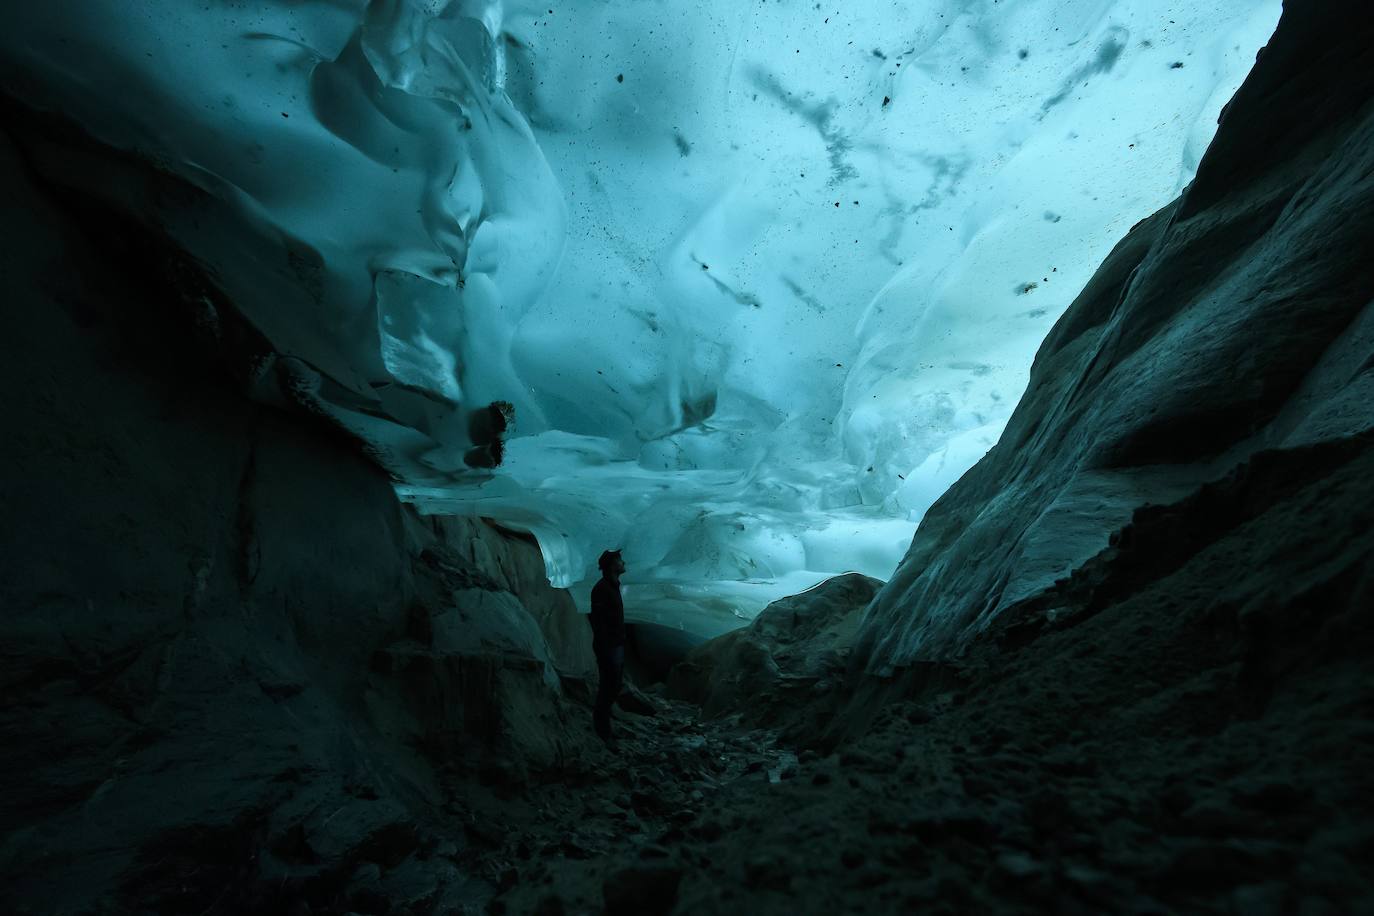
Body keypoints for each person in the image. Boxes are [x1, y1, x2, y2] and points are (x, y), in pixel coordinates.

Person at [588, 549, 627, 746]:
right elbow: (599, 621)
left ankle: (606, 728)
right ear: (612, 565)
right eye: (620, 560)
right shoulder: (602, 589)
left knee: (613, 686)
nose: (623, 562)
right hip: (609, 646)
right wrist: (605, 647)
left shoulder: (612, 586)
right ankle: (603, 732)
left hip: (615, 644)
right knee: (608, 687)